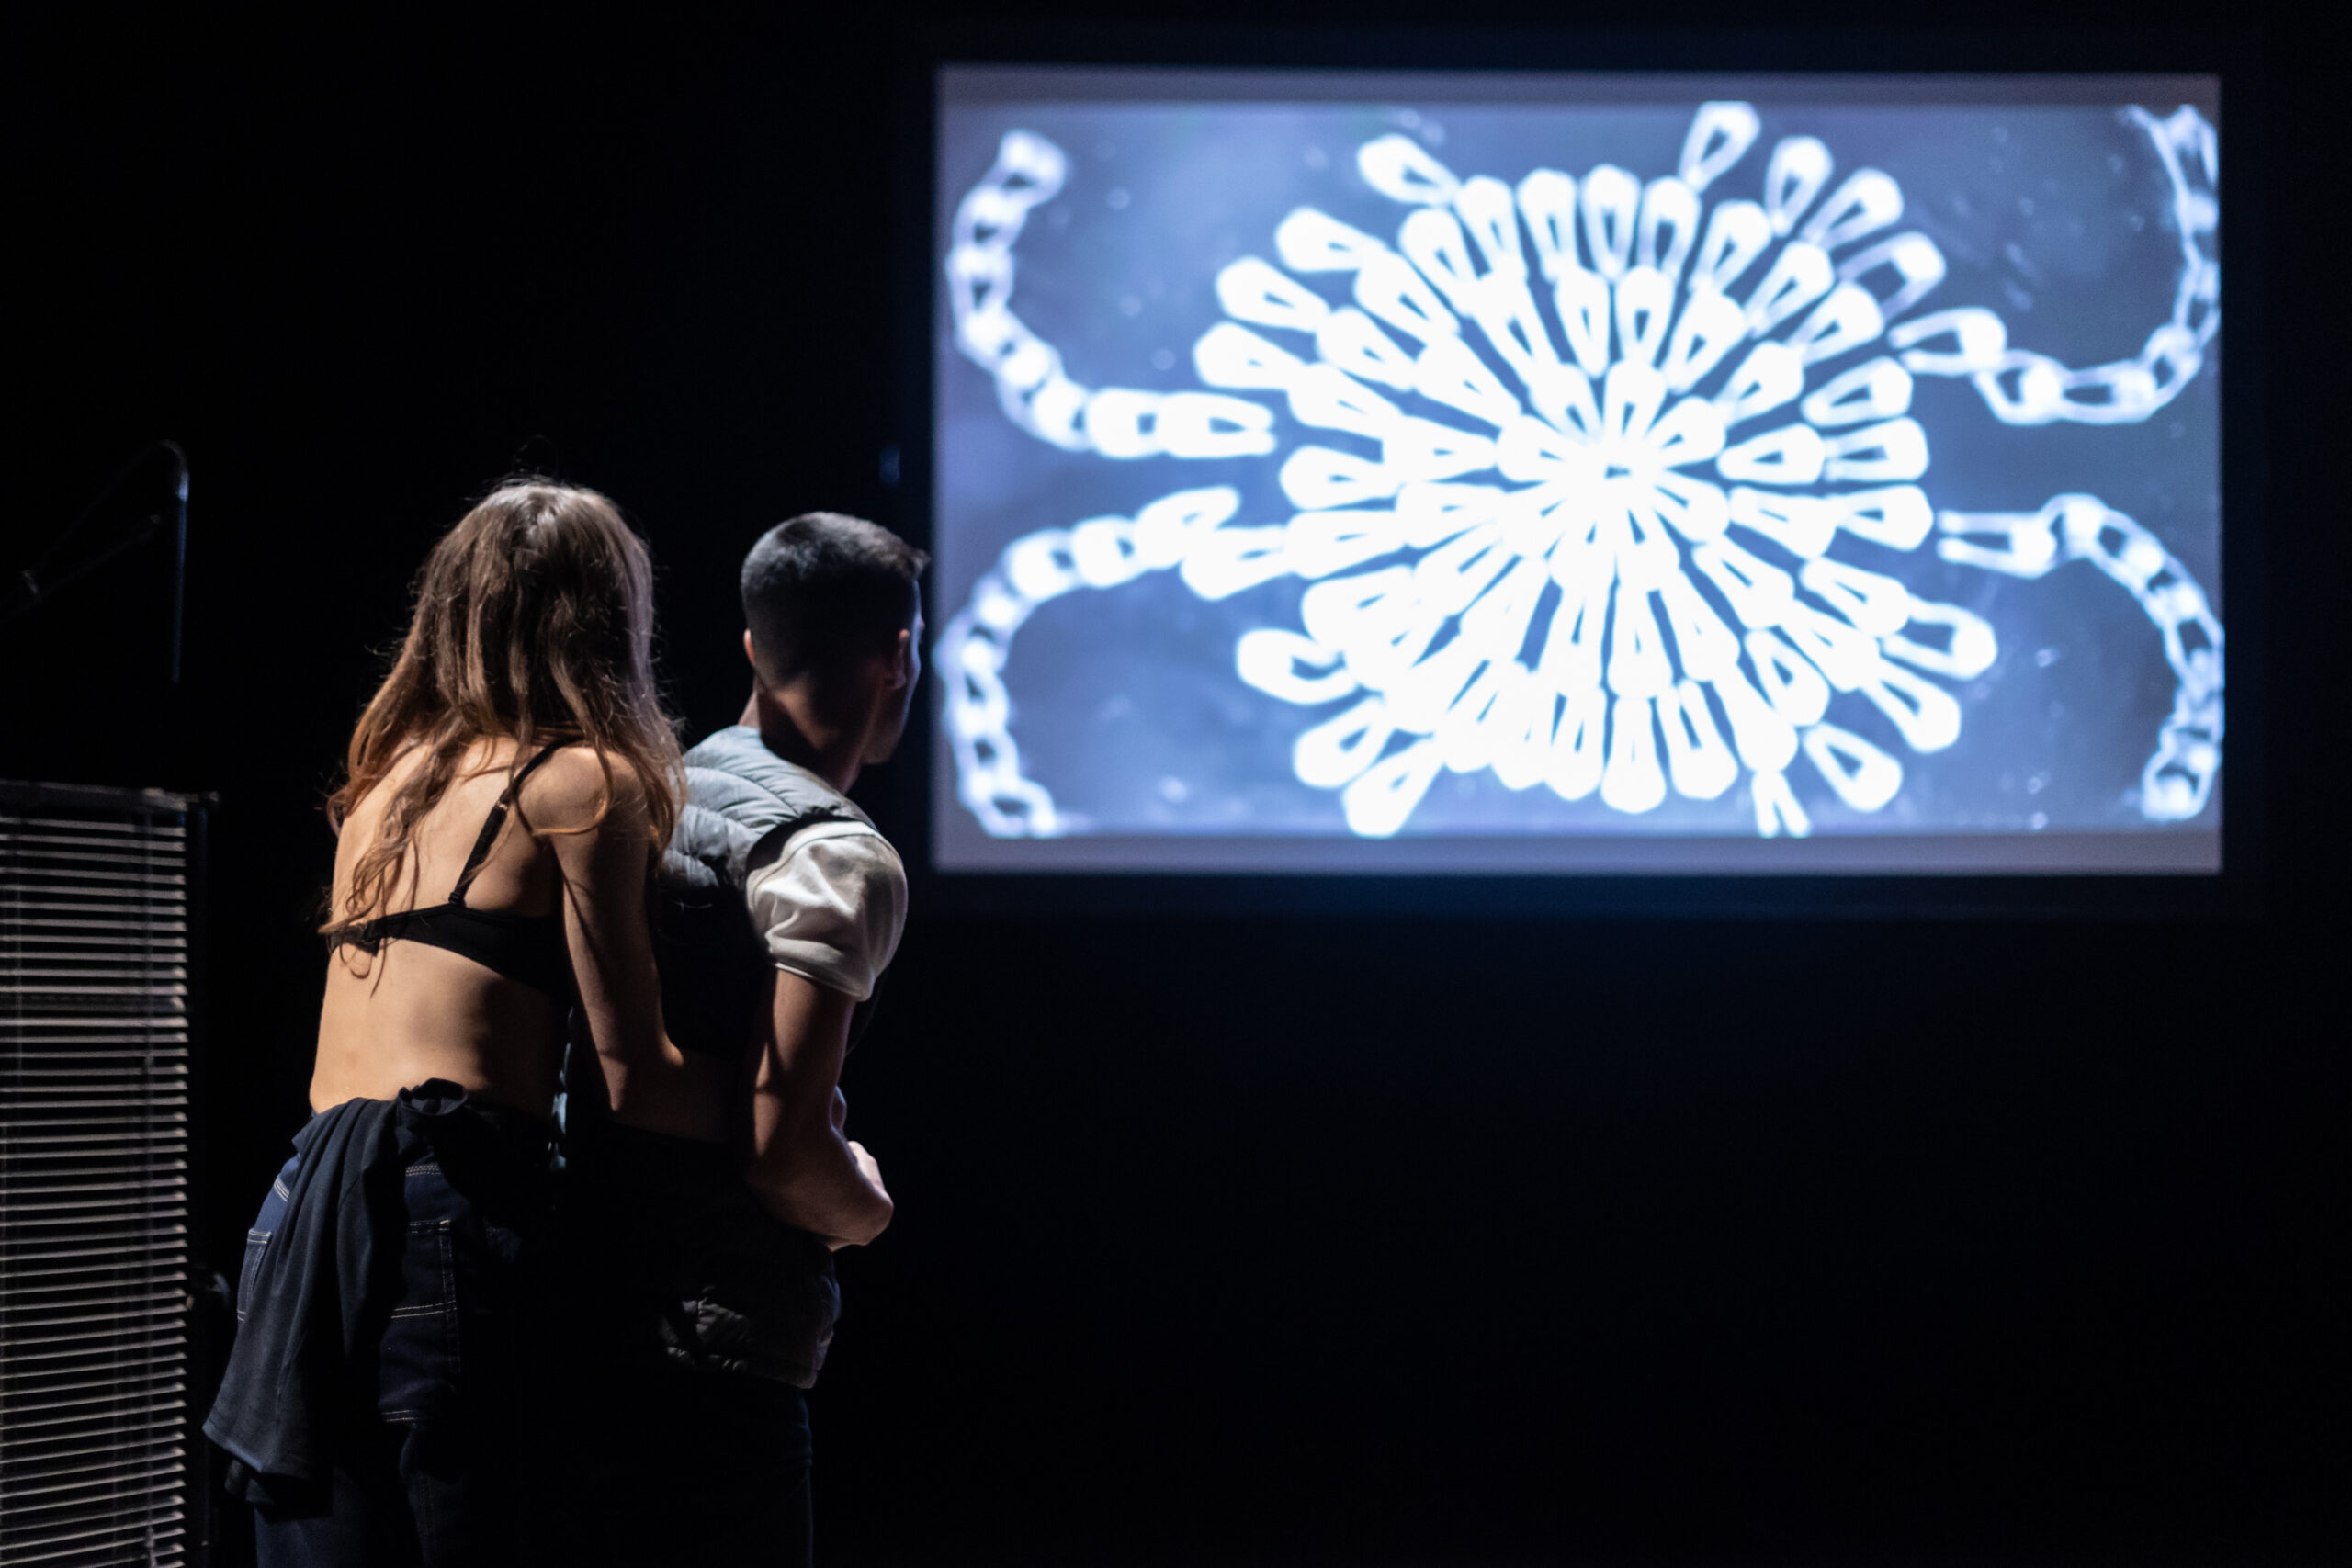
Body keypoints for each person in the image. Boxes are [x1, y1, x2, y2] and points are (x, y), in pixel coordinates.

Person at [204, 481, 708, 1567]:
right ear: (607, 618)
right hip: (443, 1197)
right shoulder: (581, 783)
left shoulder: (383, 784)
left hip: (303, 1205)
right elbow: (635, 1077)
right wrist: (789, 1113)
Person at [553, 511, 922, 1567]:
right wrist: (866, 1206)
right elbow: (783, 1152)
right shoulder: (835, 857)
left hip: (573, 1314)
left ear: (754, 645)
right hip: (718, 1353)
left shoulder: (639, 791)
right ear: (898, 658)